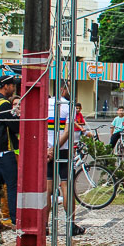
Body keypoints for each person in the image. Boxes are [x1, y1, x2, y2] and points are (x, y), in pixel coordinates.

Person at [47, 84, 84, 236]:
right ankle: (71, 225)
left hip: (46, 151)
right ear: (62, 90)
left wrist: (48, 150)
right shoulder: (69, 107)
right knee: (66, 186)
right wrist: (55, 148)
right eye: (70, 89)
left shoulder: (45, 104)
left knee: (47, 188)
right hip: (63, 150)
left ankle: (44, 226)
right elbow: (68, 131)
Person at [0, 75, 20, 228]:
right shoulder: (3, 104)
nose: (14, 89)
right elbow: (15, 127)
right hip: (4, 150)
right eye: (12, 86)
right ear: (5, 86)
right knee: (12, 185)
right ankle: (16, 219)